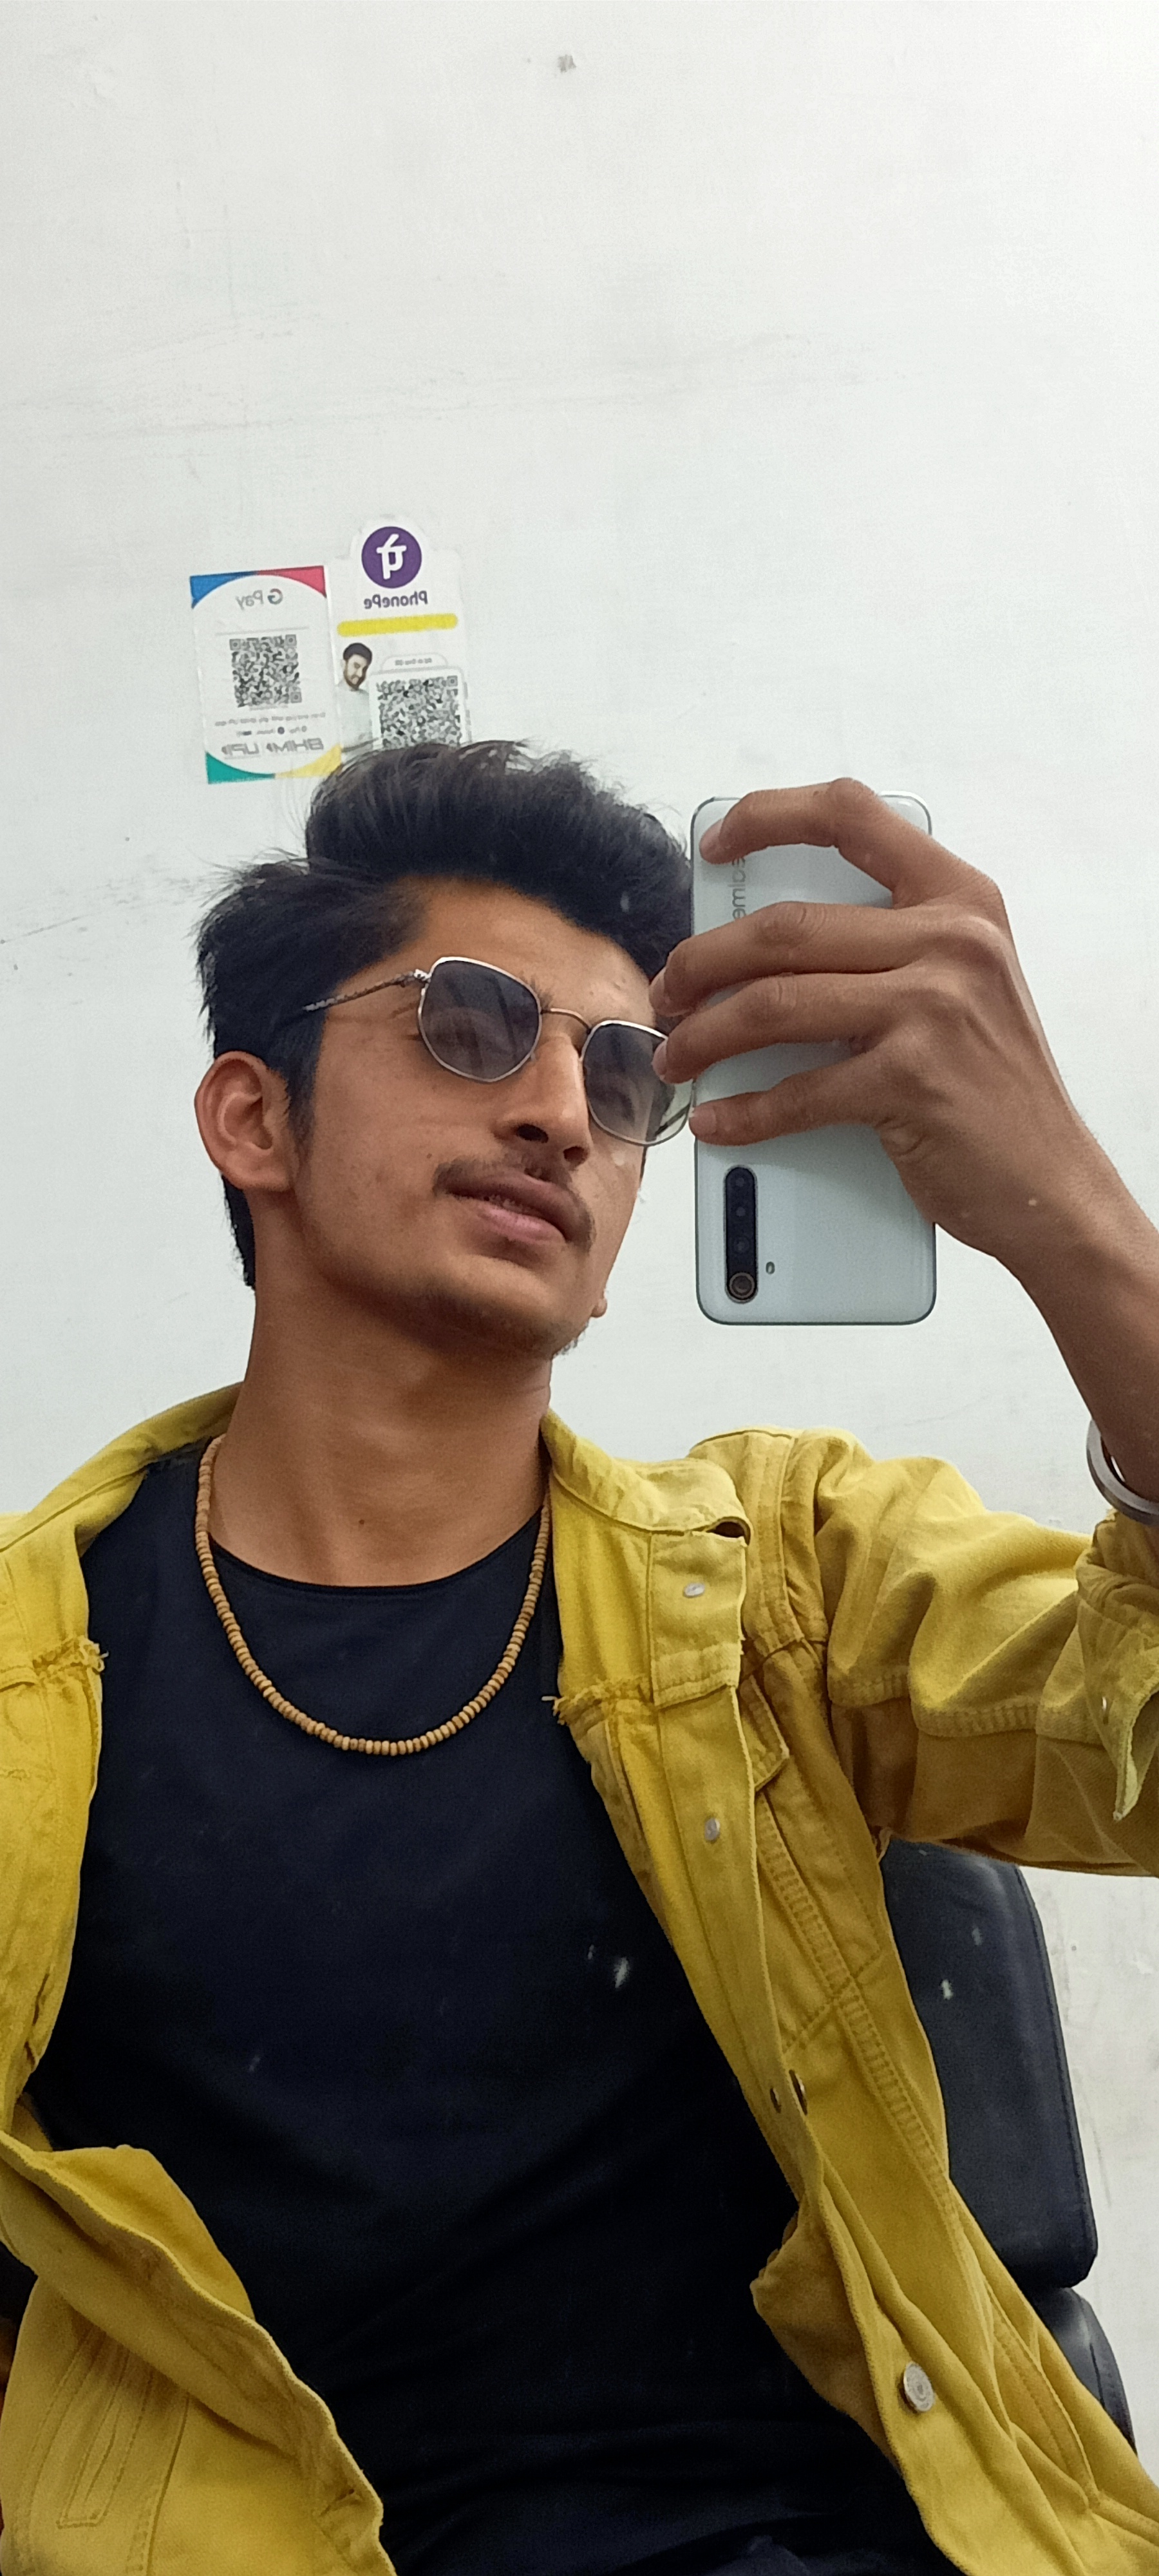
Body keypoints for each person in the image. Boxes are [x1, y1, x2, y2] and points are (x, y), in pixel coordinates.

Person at [1, 741, 1158, 2576]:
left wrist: (1070, 1212)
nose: (559, 1109)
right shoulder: (29, 1676)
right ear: (253, 1119)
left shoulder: (781, 1578)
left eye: (625, 1083)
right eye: (467, 1026)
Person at [338, 640, 374, 748]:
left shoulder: (370, 699)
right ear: (343, 664)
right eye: (356, 666)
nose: (360, 674)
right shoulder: (330, 697)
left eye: (365, 669)